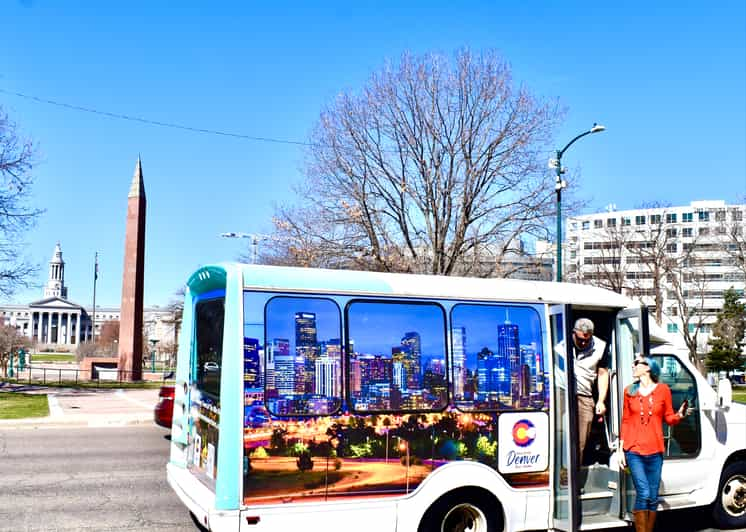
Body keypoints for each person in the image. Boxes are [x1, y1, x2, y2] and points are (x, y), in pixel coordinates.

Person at [618, 355, 688, 532]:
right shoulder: (629, 391)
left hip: (655, 450)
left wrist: (679, 415)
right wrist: (620, 450)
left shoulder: (663, 390)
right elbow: (625, 421)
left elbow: (669, 418)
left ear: (648, 368)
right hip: (634, 450)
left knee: (653, 497)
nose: (633, 366)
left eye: (636, 363)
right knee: (644, 493)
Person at [570, 318, 609, 460]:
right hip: (562, 392)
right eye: (580, 339)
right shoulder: (561, 341)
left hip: (584, 395)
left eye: (587, 340)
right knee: (562, 438)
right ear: (573, 333)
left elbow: (603, 373)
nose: (583, 343)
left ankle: (572, 478)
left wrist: (600, 401)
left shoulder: (601, 346)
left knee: (579, 443)